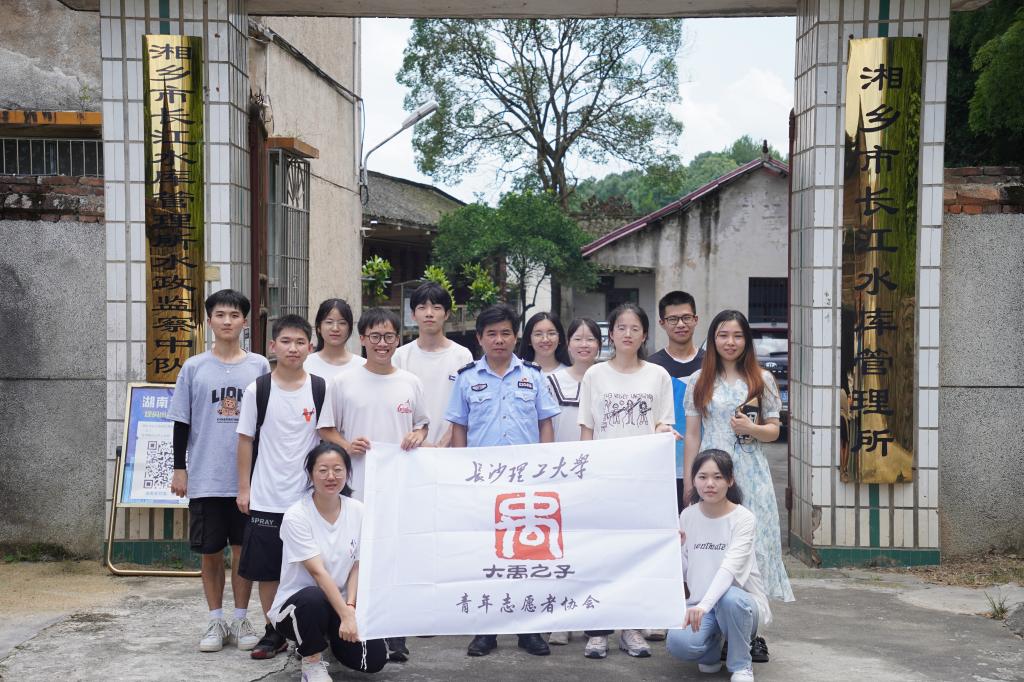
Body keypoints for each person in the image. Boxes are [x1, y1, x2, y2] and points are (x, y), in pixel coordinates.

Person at [445, 304, 561, 658]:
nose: (499, 340)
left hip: (526, 482)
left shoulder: (533, 376)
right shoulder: (466, 378)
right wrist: (462, 475)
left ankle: (529, 630)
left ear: (516, 337)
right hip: (483, 483)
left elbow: (545, 423)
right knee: (487, 556)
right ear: (480, 338)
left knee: (529, 554)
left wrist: (545, 471)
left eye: (505, 333)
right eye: (491, 334)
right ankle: (486, 630)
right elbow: (459, 428)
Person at [317, 307, 429, 663]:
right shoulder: (343, 382)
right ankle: (354, 627)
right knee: (356, 558)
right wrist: (347, 445)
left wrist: (418, 434)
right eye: (375, 337)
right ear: (362, 339)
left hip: (398, 489)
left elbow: (423, 424)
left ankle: (395, 635)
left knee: (394, 558)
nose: (383, 343)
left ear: (398, 339)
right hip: (355, 487)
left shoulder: (410, 382)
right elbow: (326, 429)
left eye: (389, 336)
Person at [683, 309, 795, 663]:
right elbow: (692, 436)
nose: (730, 342)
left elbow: (774, 430)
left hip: (751, 474)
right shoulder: (698, 380)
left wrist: (752, 429)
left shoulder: (762, 379)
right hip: (711, 475)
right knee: (714, 549)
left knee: (753, 551)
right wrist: (690, 483)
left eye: (737, 335)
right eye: (723, 335)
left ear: (747, 340)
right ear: (712, 339)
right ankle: (717, 629)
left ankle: (755, 632)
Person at [168, 289, 270, 653]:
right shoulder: (194, 367)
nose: (228, 321)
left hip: (247, 481)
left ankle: (241, 618)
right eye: (221, 315)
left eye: (235, 315)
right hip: (206, 477)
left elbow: (267, 423)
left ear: (245, 321)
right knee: (210, 552)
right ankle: (215, 619)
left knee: (243, 552)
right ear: (209, 320)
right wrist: (180, 469)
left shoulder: (259, 366)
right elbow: (181, 421)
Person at [577, 303, 676, 660]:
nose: (628, 334)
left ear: (645, 334)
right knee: (602, 557)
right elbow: (587, 430)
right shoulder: (595, 375)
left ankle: (631, 629)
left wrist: (663, 432)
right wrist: (586, 478)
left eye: (635, 328)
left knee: (636, 556)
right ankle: (598, 630)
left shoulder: (658, 376)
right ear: (612, 334)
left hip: (642, 484)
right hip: (604, 482)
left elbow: (663, 423)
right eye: (621, 327)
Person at [236, 314, 325, 660]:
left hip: (307, 500)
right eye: (285, 341)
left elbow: (326, 437)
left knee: (307, 569)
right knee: (268, 572)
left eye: (300, 342)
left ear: (310, 347)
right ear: (272, 346)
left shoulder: (319, 388)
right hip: (266, 498)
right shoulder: (258, 389)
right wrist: (244, 489)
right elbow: (245, 440)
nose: (293, 348)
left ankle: (307, 632)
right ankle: (274, 631)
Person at [267, 442, 387, 681]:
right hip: (297, 607)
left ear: (348, 473)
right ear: (311, 474)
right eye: (323, 470)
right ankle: (311, 662)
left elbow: (357, 565)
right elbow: (318, 573)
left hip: (340, 604)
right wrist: (347, 616)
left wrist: (350, 607)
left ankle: (328, 641)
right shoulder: (296, 516)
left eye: (338, 469)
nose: (331, 476)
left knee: (373, 660)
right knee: (313, 598)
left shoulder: (358, 510)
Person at [667, 449, 770, 682]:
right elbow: (685, 571)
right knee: (678, 643)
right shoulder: (688, 516)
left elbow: (729, 569)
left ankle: (741, 665)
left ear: (730, 480)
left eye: (718, 477)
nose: (710, 484)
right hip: (701, 606)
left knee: (730, 599)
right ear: (693, 480)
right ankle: (712, 650)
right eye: (702, 477)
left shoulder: (744, 519)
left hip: (741, 605)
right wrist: (676, 549)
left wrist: (704, 606)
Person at [543, 316, 601, 647]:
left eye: (590, 339)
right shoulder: (551, 380)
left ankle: (592, 619)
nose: (583, 345)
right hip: (559, 476)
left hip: (596, 477)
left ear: (600, 345)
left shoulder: (606, 378)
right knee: (559, 550)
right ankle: (561, 618)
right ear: (568, 344)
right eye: (577, 338)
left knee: (590, 551)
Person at [392, 282, 473, 447]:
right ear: (413, 314)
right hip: (409, 448)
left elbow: (467, 407)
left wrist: (443, 443)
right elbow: (395, 406)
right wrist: (421, 442)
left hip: (450, 450)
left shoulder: (463, 356)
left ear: (447, 314)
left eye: (436, 307)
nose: (429, 314)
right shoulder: (400, 356)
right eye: (422, 308)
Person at [647, 290, 705, 515]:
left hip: (706, 465)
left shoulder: (711, 364)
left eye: (686, 318)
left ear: (696, 320)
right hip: (663, 466)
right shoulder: (651, 367)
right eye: (673, 319)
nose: (680, 324)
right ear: (662, 323)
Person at [304, 298, 366, 382]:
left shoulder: (362, 366)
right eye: (329, 322)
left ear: (349, 328)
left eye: (342, 323)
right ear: (318, 327)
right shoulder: (305, 364)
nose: (335, 328)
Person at [517, 311, 572, 376]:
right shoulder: (519, 373)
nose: (545, 340)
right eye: (538, 334)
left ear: (560, 338)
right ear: (529, 340)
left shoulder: (571, 374)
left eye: (551, 333)